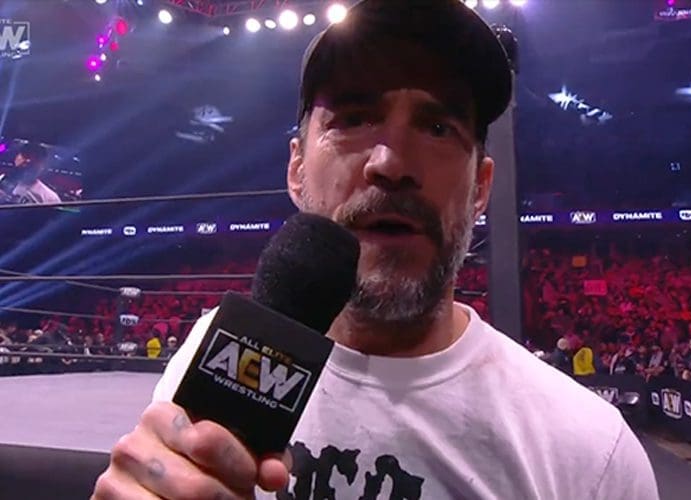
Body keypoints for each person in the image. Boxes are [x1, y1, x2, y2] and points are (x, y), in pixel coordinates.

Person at [92, 2, 658, 499]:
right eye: (355, 119)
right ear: (296, 169)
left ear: (481, 188)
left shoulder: (589, 454)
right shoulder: (214, 349)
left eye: (437, 127)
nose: (389, 163)